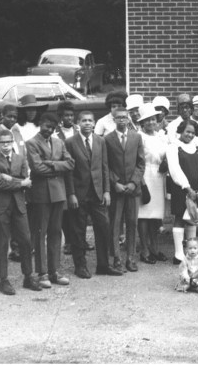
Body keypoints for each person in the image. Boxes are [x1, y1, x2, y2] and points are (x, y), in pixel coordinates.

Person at [0, 128, 41, 295]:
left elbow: (28, 181)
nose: (5, 146)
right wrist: (19, 183)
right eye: (2, 143)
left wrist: (10, 178)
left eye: (8, 142)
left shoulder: (20, 158)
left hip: (18, 205)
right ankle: (3, 280)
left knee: (25, 240)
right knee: (2, 243)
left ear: (13, 143)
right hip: (0, 207)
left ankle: (28, 276)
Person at [64, 110, 117, 278]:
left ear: (94, 123)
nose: (87, 123)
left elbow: (104, 167)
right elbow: (68, 171)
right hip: (79, 194)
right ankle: (80, 265)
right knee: (78, 231)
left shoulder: (100, 141)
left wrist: (107, 191)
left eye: (90, 120)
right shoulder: (70, 142)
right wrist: (71, 194)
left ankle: (103, 265)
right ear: (78, 123)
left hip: (98, 193)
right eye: (84, 120)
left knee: (103, 227)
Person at [25, 112, 74, 288]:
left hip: (58, 193)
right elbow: (37, 168)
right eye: (47, 126)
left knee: (55, 232)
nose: (49, 130)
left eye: (52, 128)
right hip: (41, 194)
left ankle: (55, 271)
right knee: (40, 233)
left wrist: (52, 164)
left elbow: (70, 164)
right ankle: (42, 272)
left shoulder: (59, 142)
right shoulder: (31, 143)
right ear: (40, 124)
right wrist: (58, 167)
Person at [104, 107, 145, 273]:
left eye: (124, 117)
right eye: (118, 118)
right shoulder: (107, 139)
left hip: (133, 189)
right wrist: (115, 183)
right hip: (117, 189)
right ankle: (116, 258)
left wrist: (134, 183)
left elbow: (141, 163)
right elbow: (105, 165)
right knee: (115, 223)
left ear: (129, 120)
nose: (122, 120)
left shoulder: (136, 137)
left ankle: (130, 257)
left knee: (132, 222)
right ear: (114, 120)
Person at [166, 119, 198, 264]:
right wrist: (187, 187)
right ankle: (178, 254)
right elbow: (175, 169)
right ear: (181, 131)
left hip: (197, 188)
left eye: (193, 133)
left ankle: (191, 252)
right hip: (181, 188)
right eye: (187, 132)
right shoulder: (174, 147)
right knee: (179, 217)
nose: (190, 135)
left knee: (192, 218)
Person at [135, 103, 168, 264]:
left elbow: (167, 155)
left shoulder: (161, 136)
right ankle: (144, 249)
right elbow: (137, 161)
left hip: (159, 177)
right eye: (147, 120)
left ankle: (155, 248)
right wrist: (141, 184)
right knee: (144, 215)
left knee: (155, 216)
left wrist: (166, 163)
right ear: (142, 123)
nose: (150, 123)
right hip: (145, 175)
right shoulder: (139, 136)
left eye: (153, 119)